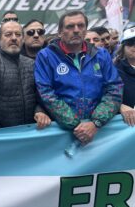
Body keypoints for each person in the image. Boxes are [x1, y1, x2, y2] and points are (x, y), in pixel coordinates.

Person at [34, 11, 123, 145]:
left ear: (85, 30)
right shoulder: (46, 56)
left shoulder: (101, 55)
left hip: (99, 130)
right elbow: (46, 93)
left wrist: (95, 123)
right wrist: (77, 126)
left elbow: (114, 88)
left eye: (80, 26)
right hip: (64, 132)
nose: (76, 30)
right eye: (70, 26)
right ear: (59, 32)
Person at [0, 20, 51, 130]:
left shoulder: (31, 64)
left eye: (18, 34)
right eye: (8, 34)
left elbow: (42, 95)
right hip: (3, 138)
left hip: (31, 133)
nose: (13, 38)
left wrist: (40, 111)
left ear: (23, 39)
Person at [114, 27, 135, 126]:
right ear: (123, 47)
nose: (134, 46)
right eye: (130, 43)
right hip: (126, 126)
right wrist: (120, 106)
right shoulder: (113, 70)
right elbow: (105, 95)